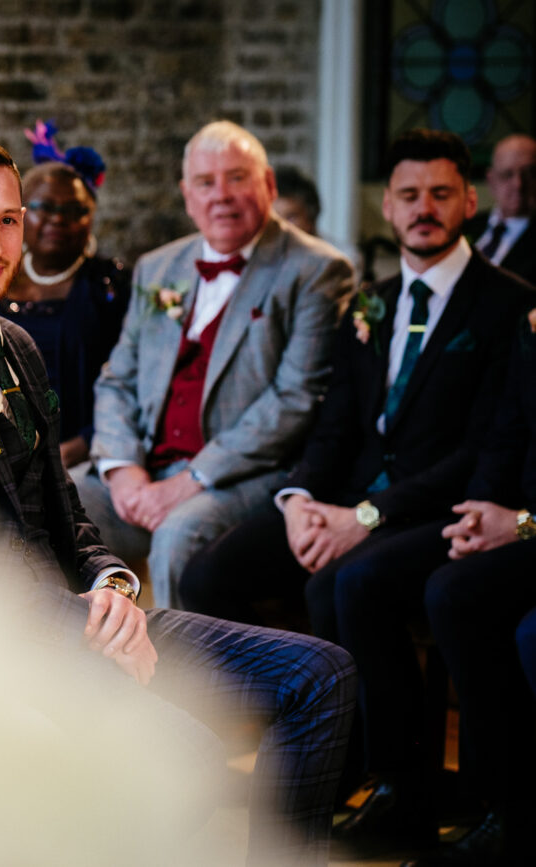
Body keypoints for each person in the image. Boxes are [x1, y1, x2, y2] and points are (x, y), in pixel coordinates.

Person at [0, 135, 356, 866]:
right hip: (9, 648)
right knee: (190, 756)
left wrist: (112, 585)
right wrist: (87, 622)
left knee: (322, 675)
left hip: (91, 618)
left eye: (8, 219)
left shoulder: (16, 344)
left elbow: (67, 513)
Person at [180, 129, 535, 859]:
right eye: (408, 195)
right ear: (389, 206)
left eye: (441, 194)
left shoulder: (507, 307)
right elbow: (335, 419)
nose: (424, 209)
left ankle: (388, 781)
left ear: (469, 200)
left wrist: (366, 516)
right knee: (213, 569)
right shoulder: (368, 303)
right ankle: (298, 758)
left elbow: (483, 445)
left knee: (355, 581)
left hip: (430, 507)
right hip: (341, 500)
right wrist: (303, 498)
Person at [74, 121, 353, 608]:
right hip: (144, 468)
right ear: (188, 196)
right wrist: (122, 469)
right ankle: (65, 675)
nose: (221, 195)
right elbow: (117, 378)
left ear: (268, 185)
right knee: (50, 502)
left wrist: (190, 480)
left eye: (237, 178)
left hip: (240, 478)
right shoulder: (159, 267)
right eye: (206, 182)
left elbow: (294, 400)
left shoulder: (316, 270)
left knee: (179, 536)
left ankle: (178, 683)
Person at [403, 320, 536, 867]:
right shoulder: (529, 320)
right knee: (454, 591)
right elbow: (506, 432)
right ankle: (497, 806)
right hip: (522, 520)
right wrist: (479, 513)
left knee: (532, 633)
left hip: (530, 524)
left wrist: (526, 523)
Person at [0, 121, 130, 476]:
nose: (59, 219)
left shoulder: (110, 285)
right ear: (21, 213)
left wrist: (83, 445)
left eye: (75, 211)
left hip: (86, 456)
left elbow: (133, 379)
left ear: (90, 218)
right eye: (45, 207)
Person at [465, 133, 536, 285]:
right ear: (491, 180)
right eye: (507, 174)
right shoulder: (465, 225)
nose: (518, 184)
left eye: (529, 174)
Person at [273, 165, 321, 236]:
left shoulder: (332, 247)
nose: (281, 226)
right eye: (274, 219)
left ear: (311, 221)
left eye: (290, 218)